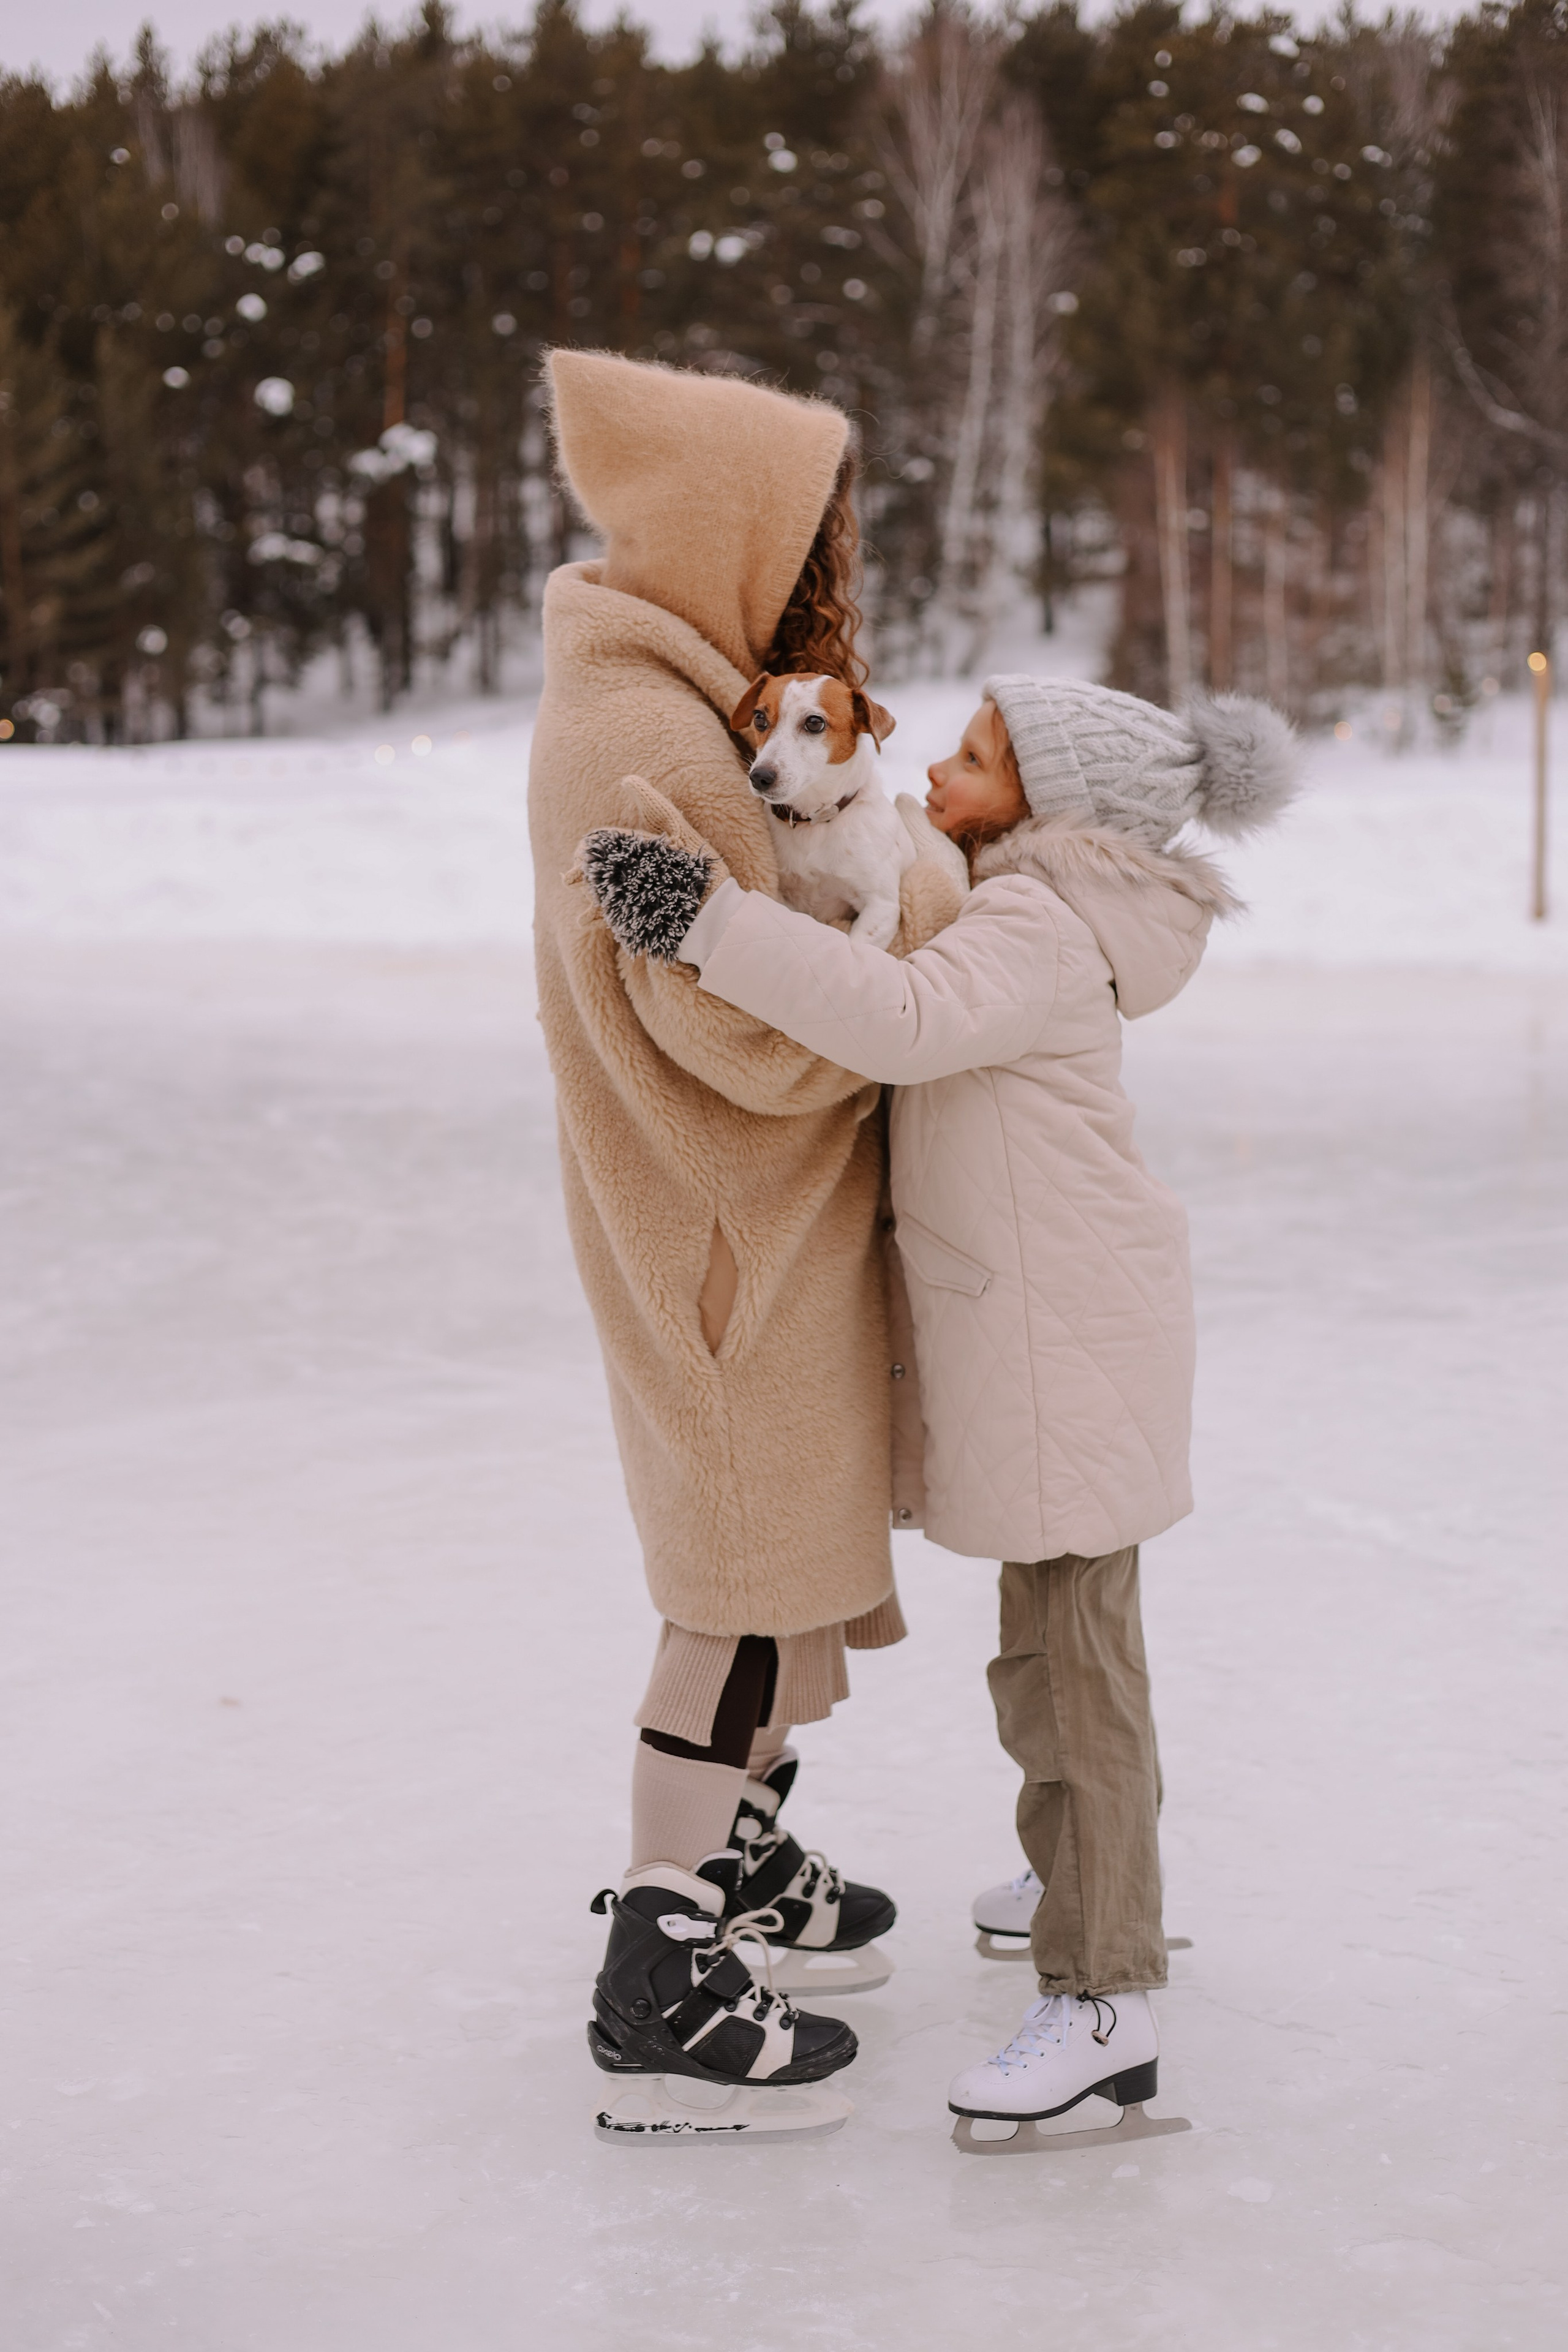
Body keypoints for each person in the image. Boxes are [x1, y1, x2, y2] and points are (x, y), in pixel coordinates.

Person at [578, 673, 1298, 2134]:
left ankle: (1101, 1993)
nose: (941, 777)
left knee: (1078, 1660)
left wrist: (709, 923)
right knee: (1046, 1650)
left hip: (1068, 1339)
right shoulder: (1026, 896)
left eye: (974, 759)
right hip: (1063, 1323)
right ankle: (1084, 1869)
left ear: (1056, 805)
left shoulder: (1032, 922)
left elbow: (899, 1019)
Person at [528, 350, 963, 2127]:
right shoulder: (651, 736)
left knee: (778, 1582)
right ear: (738, 534)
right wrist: (922, 918)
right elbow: (752, 1029)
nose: (819, 572)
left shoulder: (680, 701)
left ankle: (739, 1861)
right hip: (723, 1230)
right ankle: (662, 1959)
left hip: (746, 1226)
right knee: (734, 1602)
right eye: (799, 536)